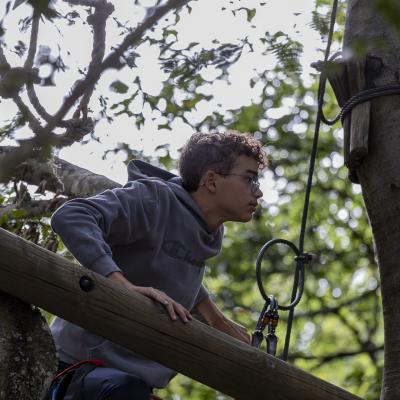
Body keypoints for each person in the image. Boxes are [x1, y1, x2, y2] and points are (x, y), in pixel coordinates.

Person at [49, 131, 266, 399]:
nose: (259, 191)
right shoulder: (155, 198)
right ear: (211, 180)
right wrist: (122, 286)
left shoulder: (206, 231)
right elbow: (72, 216)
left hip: (130, 384)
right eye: (249, 179)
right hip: (74, 370)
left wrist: (215, 317)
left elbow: (166, 259)